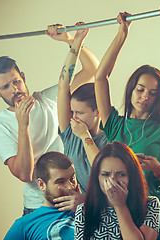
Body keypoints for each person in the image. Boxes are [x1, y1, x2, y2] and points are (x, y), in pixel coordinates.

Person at [95, 12, 160, 239]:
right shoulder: (114, 123)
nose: (145, 96)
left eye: (153, 93)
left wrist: (159, 170)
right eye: (140, 89)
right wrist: (122, 33)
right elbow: (99, 78)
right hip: (123, 220)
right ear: (131, 89)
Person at [0, 26, 97, 215]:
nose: (14, 89)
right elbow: (24, 174)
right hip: (38, 207)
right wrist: (22, 125)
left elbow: (92, 70)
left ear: (23, 77)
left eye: (16, 81)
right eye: (6, 86)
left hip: (74, 200)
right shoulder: (0, 126)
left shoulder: (48, 99)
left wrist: (71, 39)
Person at [46, 23, 108, 196]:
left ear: (98, 112)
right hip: (77, 211)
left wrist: (85, 137)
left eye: (79, 113)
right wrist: (75, 42)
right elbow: (63, 86)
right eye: (72, 112)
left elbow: (102, 170)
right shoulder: (70, 133)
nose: (74, 118)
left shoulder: (111, 138)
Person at [75, 141, 160, 240]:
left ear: (132, 177)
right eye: (105, 174)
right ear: (97, 177)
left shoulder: (151, 204)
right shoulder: (84, 210)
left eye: (121, 174)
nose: (113, 181)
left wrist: (120, 205)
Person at [4, 151, 80, 240]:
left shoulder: (90, 210)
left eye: (72, 179)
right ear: (41, 185)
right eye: (60, 181)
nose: (70, 187)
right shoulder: (24, 225)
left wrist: (85, 207)